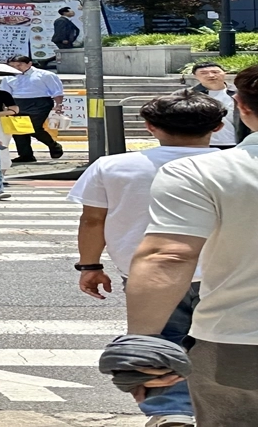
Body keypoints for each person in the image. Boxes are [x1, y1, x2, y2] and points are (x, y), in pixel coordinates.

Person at [105, 66, 258, 425]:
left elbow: (169, 255)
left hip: (240, 338)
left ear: (241, 106)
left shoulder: (201, 172)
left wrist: (143, 349)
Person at [69, 93, 222, 427]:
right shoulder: (233, 165)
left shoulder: (112, 166)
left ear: (150, 127)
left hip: (147, 273)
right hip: (225, 271)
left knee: (157, 341)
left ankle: (172, 412)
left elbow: (93, 221)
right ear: (219, 126)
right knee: (224, 342)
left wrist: (90, 265)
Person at [1, 55, 67, 163]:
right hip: (17, 102)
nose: (16, 68)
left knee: (34, 127)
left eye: (19, 65)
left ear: (29, 64)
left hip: (40, 103)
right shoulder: (8, 77)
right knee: (18, 130)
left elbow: (57, 91)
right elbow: (5, 93)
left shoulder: (45, 75)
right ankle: (25, 155)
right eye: (12, 66)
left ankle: (54, 145)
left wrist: (59, 105)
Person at [189, 61, 244, 148]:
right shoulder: (187, 95)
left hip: (238, 143)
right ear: (195, 76)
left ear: (225, 73)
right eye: (203, 73)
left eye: (215, 72)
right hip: (201, 145)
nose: (211, 75)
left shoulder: (242, 94)